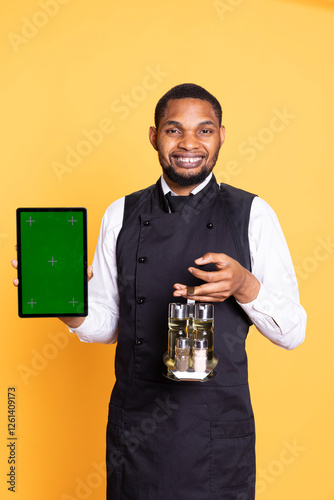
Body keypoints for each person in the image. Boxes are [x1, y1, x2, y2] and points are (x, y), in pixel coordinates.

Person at [12, 83, 306, 500]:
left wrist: (244, 285)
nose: (189, 143)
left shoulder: (252, 214)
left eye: (204, 131)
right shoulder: (122, 213)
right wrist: (63, 302)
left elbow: (293, 333)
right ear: (154, 136)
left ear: (221, 135)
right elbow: (107, 326)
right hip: (138, 434)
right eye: (174, 130)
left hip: (215, 436)